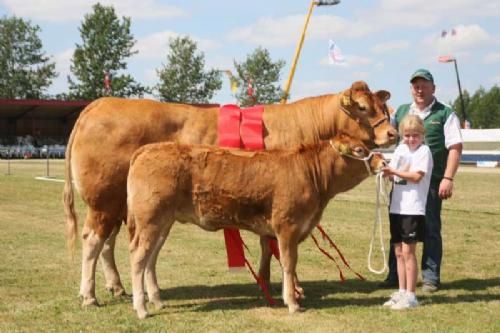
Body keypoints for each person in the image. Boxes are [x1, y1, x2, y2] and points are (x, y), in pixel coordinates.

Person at [381, 68, 463, 292]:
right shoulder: (402, 111)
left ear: (433, 88)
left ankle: (430, 276)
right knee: (398, 227)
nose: (419, 89)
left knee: (430, 228)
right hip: (400, 185)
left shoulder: (445, 113)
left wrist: (448, 177)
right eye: (416, 85)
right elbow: (390, 139)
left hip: (431, 182)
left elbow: (455, 147)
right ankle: (395, 276)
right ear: (411, 89)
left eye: (424, 85)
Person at [381, 115, 433, 309]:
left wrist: (393, 172)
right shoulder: (400, 149)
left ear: (422, 135)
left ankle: (411, 295)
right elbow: (392, 170)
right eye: (407, 135)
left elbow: (416, 176)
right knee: (398, 252)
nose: (411, 139)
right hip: (396, 206)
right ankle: (402, 291)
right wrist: (386, 172)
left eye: (415, 135)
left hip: (413, 207)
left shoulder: (424, 151)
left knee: (408, 251)